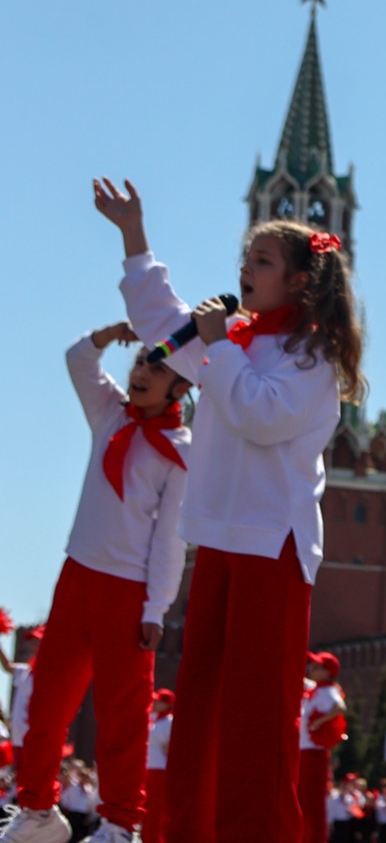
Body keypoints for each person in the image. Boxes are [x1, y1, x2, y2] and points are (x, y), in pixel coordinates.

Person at [97, 178, 363, 843]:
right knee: (202, 716)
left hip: (273, 546)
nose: (246, 270)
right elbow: (162, 321)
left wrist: (217, 347)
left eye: (263, 262)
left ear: (301, 280)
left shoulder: (313, 354)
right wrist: (134, 235)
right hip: (215, 538)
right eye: (246, 259)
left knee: (256, 723)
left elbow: (261, 415)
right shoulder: (233, 337)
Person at [0, 319, 191, 843]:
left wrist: (156, 609)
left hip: (128, 594)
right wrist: (108, 335)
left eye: (157, 367)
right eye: (140, 362)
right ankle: (38, 811)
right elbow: (77, 361)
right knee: (46, 701)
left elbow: (170, 541)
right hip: (77, 576)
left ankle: (120, 825)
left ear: (181, 385)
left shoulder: (180, 451)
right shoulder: (110, 415)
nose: (141, 372)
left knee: (122, 716)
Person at [302, 652, 351, 843]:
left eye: (315, 666)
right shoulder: (316, 688)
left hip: (315, 752)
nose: (311, 669)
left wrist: (319, 722)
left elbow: (340, 707)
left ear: (327, 671)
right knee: (304, 799)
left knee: (312, 801)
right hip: (305, 750)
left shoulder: (328, 690)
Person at [143, 689, 174, 843]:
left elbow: (169, 749)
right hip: (147, 769)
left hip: (159, 771)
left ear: (166, 705)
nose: (154, 703)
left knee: (155, 811)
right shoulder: (153, 718)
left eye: (158, 701)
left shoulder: (169, 721)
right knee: (145, 809)